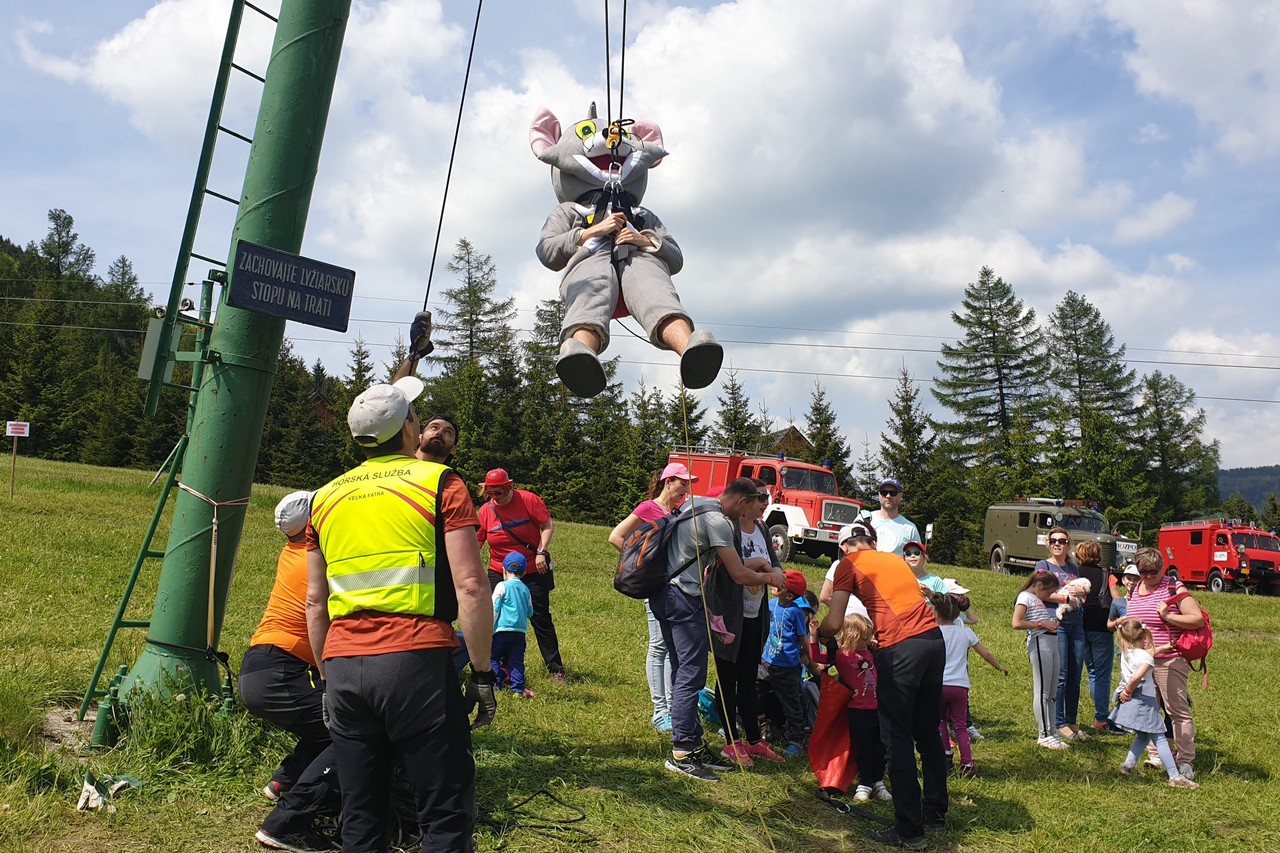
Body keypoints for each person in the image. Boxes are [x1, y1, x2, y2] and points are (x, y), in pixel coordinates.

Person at [306, 376, 497, 852]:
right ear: (409, 428)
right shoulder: (440, 482)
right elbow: (472, 586)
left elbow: (314, 602)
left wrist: (326, 681)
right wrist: (482, 674)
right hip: (416, 662)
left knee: (360, 811)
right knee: (444, 810)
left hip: (344, 666)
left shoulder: (324, 498)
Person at [820, 519, 947, 849]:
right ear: (871, 543)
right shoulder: (893, 560)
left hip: (901, 650)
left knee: (896, 736)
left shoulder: (847, 564)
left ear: (844, 547)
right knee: (927, 730)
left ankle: (909, 829)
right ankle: (935, 814)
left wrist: (819, 634)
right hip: (933, 641)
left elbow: (834, 620)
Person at [653, 477, 785, 782]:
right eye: (751, 505)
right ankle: (682, 752)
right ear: (742, 502)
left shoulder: (696, 504)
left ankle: (693, 742)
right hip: (683, 598)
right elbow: (739, 574)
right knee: (691, 675)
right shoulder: (720, 522)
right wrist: (770, 578)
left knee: (683, 670)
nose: (749, 513)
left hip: (668, 594)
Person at [241, 491, 338, 853]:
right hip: (280, 670)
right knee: (350, 730)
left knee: (324, 723)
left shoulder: (292, 552)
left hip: (262, 665)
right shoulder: (316, 563)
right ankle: (286, 825)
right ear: (312, 523)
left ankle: (284, 781)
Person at [608, 462, 697, 732]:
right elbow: (616, 536)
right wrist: (641, 564)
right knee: (659, 646)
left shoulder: (679, 511)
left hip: (675, 589)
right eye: (682, 483)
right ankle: (660, 710)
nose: (686, 488)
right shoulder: (649, 508)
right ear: (668, 482)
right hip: (656, 586)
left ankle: (672, 706)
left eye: (688, 483)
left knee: (672, 647)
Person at [714, 478, 784, 766]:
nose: (765, 503)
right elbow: (733, 568)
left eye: (767, 498)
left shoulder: (763, 529)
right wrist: (764, 568)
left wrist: (776, 571)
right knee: (727, 678)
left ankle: (754, 740)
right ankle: (731, 742)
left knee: (748, 677)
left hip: (755, 614)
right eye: (760, 498)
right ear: (746, 501)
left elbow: (774, 560)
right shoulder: (728, 528)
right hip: (730, 615)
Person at [1122, 546, 1204, 780]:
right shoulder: (1136, 588)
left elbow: (1196, 619)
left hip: (1169, 660)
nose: (1148, 576)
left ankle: (1185, 760)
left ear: (1162, 568)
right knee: (1148, 710)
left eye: (1153, 571)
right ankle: (1156, 754)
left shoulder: (1174, 588)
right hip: (1142, 661)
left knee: (1176, 710)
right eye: (1143, 572)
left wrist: (1168, 617)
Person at [477, 469, 564, 681]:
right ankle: (502, 668)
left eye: (498, 492)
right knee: (497, 617)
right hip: (499, 571)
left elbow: (547, 525)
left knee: (540, 617)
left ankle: (556, 668)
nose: (494, 497)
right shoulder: (486, 511)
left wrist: (541, 552)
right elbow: (477, 541)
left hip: (533, 568)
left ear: (509, 487)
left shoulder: (528, 500)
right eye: (490, 493)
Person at [808, 613, 890, 803]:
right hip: (858, 710)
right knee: (863, 747)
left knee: (880, 746)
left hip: (878, 708)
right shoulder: (841, 655)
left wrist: (875, 646)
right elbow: (817, 657)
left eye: (868, 638)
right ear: (852, 637)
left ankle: (878, 781)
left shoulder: (870, 652)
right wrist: (813, 636)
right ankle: (865, 782)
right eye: (863, 639)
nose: (867, 642)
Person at [1110, 620, 1199, 788]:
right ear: (1144, 638)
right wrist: (1128, 691)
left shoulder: (1126, 652)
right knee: (1160, 737)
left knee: (1143, 736)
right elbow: (1138, 675)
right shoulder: (1146, 658)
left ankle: (1127, 766)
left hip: (1132, 701)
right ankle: (1174, 776)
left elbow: (1147, 654)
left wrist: (1163, 648)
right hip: (1144, 702)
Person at [932, 592, 1008, 777]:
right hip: (960, 686)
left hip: (938, 685)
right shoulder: (966, 633)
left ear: (936, 613)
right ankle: (967, 763)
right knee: (960, 725)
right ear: (958, 613)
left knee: (940, 721)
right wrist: (999, 667)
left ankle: (945, 756)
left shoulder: (933, 633)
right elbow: (985, 654)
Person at [1035, 526, 1086, 741]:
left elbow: (1082, 595)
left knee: (1076, 674)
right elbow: (1040, 593)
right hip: (1057, 623)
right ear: (1048, 544)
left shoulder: (1073, 569)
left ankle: (1072, 720)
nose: (1057, 544)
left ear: (1068, 544)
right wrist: (1066, 598)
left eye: (1062, 541)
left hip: (1077, 624)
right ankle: (1059, 721)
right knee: (1061, 674)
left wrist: (1080, 596)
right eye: (1054, 540)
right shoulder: (1043, 566)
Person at [761, 570, 815, 758]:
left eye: (780, 584)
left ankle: (797, 739)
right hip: (766, 660)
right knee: (756, 690)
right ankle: (760, 725)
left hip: (787, 667)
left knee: (790, 701)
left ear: (790, 595)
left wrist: (808, 658)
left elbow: (803, 638)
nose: (775, 583)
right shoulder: (770, 604)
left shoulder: (795, 612)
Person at [1011, 570, 1066, 750]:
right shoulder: (1024, 597)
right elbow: (1016, 622)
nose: (1050, 596)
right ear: (1039, 585)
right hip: (1040, 643)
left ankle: (1052, 731)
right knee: (1043, 691)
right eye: (1049, 592)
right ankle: (1043, 734)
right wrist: (1041, 624)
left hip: (1051, 642)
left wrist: (1051, 623)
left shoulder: (1037, 599)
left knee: (1052, 692)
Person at [1075, 540, 1116, 733]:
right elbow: (1117, 600)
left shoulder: (1074, 573)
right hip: (1102, 627)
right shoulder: (1107, 575)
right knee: (1101, 675)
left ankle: (1069, 717)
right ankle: (1101, 717)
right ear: (1099, 555)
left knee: (1086, 671)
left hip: (1079, 626)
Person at [492, 552, 535, 698]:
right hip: (519, 632)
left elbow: (494, 608)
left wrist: (489, 628)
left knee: (493, 657)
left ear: (503, 569)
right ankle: (517, 690)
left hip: (501, 631)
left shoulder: (501, 586)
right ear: (524, 572)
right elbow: (530, 612)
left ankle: (496, 686)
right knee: (516, 661)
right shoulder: (525, 589)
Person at [818, 525, 871, 619]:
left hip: (850, 621)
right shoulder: (881, 564)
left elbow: (825, 596)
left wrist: (843, 612)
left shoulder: (839, 564)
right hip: (869, 622)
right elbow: (825, 596)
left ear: (844, 548)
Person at [862, 477, 921, 557]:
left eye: (893, 493)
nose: (888, 496)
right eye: (884, 492)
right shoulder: (863, 520)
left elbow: (917, 560)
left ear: (900, 496)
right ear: (879, 495)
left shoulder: (910, 528)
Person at [1107, 565, 1140, 630]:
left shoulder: (1145, 601)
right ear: (1123, 580)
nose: (1131, 582)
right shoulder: (1118, 602)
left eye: (1135, 580)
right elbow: (1109, 625)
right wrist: (1118, 621)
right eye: (1129, 578)